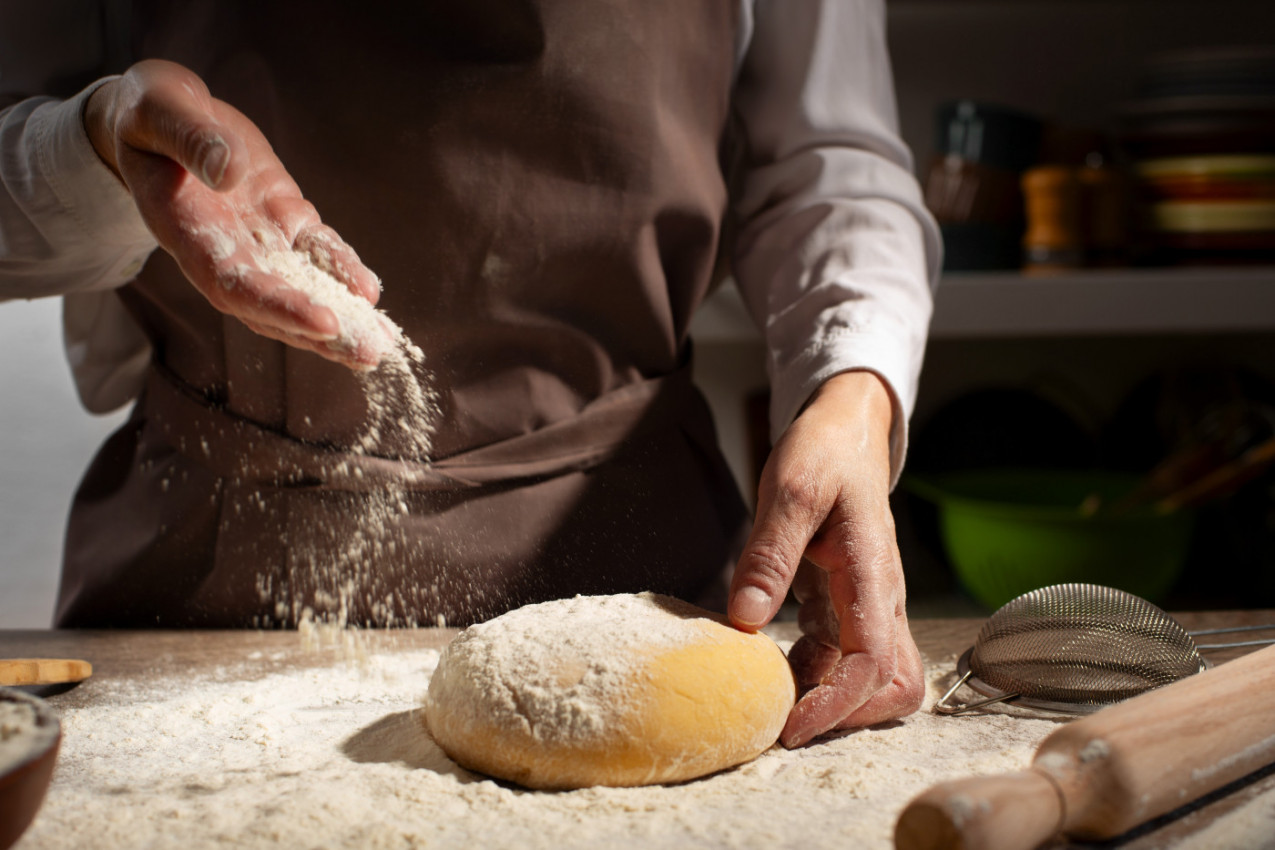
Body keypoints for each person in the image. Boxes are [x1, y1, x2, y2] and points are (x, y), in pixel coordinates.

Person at [0, 1, 939, 748]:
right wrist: (90, 147)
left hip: (648, 584)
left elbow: (829, 158)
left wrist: (854, 391)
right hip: (203, 566)